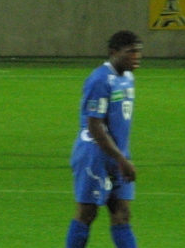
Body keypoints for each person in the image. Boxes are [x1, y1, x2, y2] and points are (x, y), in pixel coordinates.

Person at [66, 30, 143, 248]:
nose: (136, 56)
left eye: (139, 52)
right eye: (131, 52)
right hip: (94, 155)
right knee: (87, 213)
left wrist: (121, 157)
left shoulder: (128, 78)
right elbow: (95, 125)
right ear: (114, 52)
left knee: (122, 213)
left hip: (117, 155)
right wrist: (121, 159)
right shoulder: (99, 79)